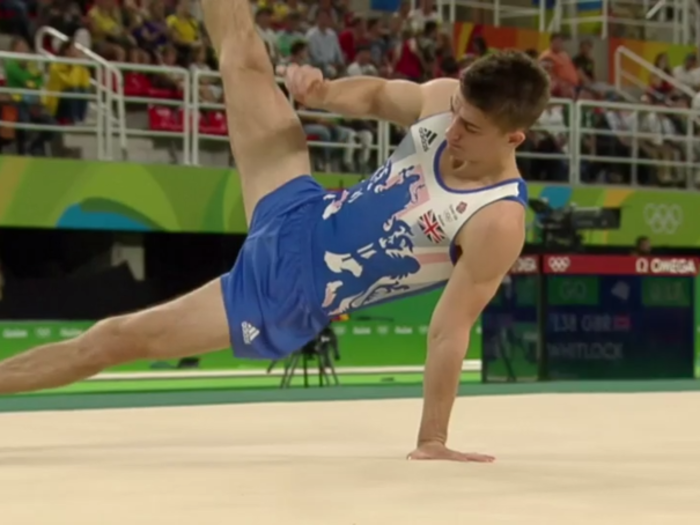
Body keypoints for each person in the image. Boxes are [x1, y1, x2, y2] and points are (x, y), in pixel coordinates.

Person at [0, 0, 550, 463]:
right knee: (243, 59)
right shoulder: (445, 99)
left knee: (114, 339)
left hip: (286, 293)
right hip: (300, 207)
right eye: (455, 113)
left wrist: (433, 439)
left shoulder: (497, 219)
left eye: (470, 128)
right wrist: (324, 92)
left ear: (514, 138)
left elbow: (448, 331)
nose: (451, 130)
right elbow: (381, 95)